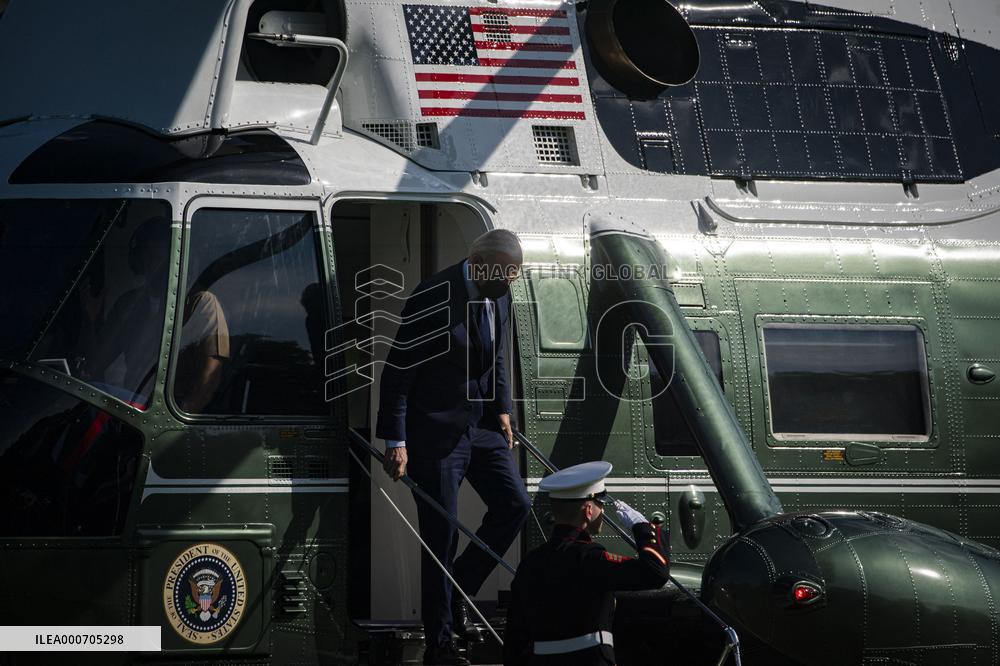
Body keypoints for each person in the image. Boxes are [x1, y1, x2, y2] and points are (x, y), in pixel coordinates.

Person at [376, 229, 531, 666]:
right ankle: (440, 644)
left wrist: (503, 409)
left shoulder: (500, 293)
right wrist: (396, 439)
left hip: (480, 427)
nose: (510, 282)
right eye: (505, 273)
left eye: (514, 275)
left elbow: (499, 355)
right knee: (440, 537)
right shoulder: (432, 297)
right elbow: (398, 371)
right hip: (435, 433)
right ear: (479, 263)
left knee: (515, 505)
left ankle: (459, 586)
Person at [503, 461, 670, 666]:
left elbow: (515, 637)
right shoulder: (592, 559)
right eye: (600, 503)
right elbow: (655, 573)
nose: (602, 510)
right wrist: (643, 529)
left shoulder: (530, 563)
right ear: (588, 510)